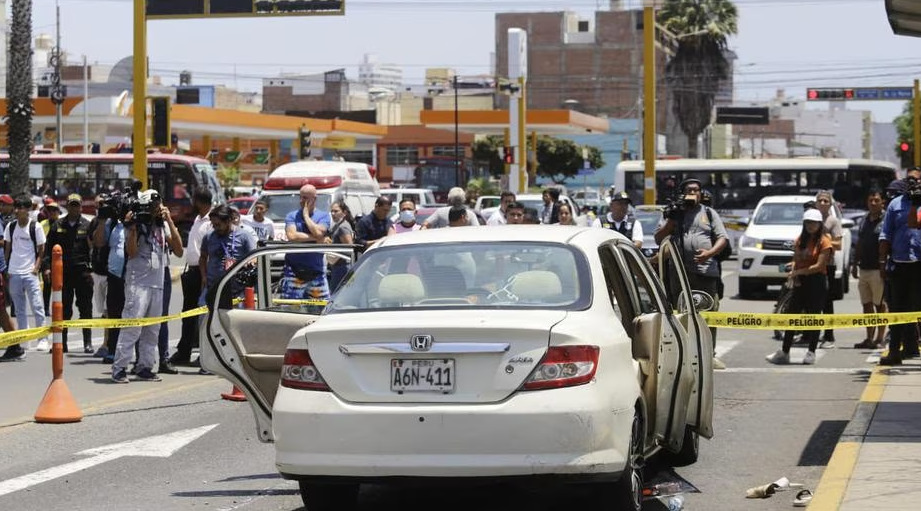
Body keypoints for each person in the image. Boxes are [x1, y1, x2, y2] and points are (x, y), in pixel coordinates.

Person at [654, 178, 729, 369]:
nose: (693, 193)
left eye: (696, 190)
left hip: (705, 271)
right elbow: (659, 239)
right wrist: (672, 220)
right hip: (679, 273)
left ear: (701, 194)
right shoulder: (672, 213)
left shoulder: (709, 213)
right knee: (680, 312)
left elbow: (723, 238)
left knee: (708, 313)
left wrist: (709, 253)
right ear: (682, 193)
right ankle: (682, 354)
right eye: (689, 190)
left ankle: (709, 354)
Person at [111, 190, 183, 383]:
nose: (155, 209)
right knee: (132, 326)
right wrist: (133, 228)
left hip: (157, 283)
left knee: (152, 329)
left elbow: (178, 250)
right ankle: (119, 368)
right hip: (138, 283)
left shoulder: (162, 224)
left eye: (158, 205)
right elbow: (132, 252)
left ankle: (145, 366)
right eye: (152, 206)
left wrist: (169, 221)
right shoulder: (136, 222)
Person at [766, 209, 833, 365]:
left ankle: (811, 352)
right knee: (792, 316)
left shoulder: (825, 242)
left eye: (814, 222)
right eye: (808, 222)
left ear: (819, 224)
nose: (810, 225)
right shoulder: (799, 240)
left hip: (817, 282)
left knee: (814, 317)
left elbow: (819, 266)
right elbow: (796, 260)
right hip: (800, 282)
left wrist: (798, 272)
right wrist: (795, 275)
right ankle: (785, 351)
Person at [878, 171, 921, 366]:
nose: (913, 183)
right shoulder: (895, 205)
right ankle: (894, 351)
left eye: (917, 179)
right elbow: (885, 235)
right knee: (898, 310)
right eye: (909, 179)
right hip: (900, 264)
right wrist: (882, 263)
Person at [44, 193, 94, 354]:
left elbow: (94, 248)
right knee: (63, 309)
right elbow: (48, 249)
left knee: (85, 308)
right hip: (63, 273)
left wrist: (92, 269)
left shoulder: (87, 225)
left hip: (82, 272)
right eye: (71, 205)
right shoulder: (58, 225)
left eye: (76, 205)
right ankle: (62, 343)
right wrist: (47, 267)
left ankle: (87, 342)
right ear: (67, 206)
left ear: (81, 207)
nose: (74, 208)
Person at [171, 189, 213, 367]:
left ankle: (203, 355)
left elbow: (209, 251)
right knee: (188, 314)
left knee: (203, 316)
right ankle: (184, 352)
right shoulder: (197, 219)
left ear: (199, 202)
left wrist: (205, 275)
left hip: (204, 272)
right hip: (192, 271)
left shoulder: (211, 221)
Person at [4, 196, 47, 351]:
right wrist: (7, 269)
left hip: (30, 273)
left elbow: (41, 250)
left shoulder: (35, 227)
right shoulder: (11, 226)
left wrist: (36, 268)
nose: (17, 210)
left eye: (20, 207)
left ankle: (42, 339)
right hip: (14, 272)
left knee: (37, 306)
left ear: (28, 209)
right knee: (19, 309)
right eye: (16, 207)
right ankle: (25, 337)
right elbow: (7, 249)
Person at [280, 184, 331, 306]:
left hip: (316, 271)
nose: (302, 201)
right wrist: (317, 238)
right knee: (290, 308)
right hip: (294, 271)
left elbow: (319, 232)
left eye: (306, 198)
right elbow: (292, 236)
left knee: (322, 307)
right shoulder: (291, 216)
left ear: (315, 199)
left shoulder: (324, 216)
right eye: (301, 197)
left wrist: (306, 216)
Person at [851, 189, 888, 349]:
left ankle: (880, 338)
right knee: (866, 305)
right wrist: (854, 264)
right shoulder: (864, 219)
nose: (873, 203)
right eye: (870, 200)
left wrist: (884, 265)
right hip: (864, 268)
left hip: (878, 269)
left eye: (876, 200)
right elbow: (859, 243)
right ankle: (869, 338)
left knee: (879, 304)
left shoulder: (886, 219)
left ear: (882, 202)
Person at [200, 205, 256, 308]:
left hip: (237, 292)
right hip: (213, 288)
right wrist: (204, 276)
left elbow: (254, 256)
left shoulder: (244, 236)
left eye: (218, 225)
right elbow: (203, 257)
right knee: (204, 316)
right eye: (213, 225)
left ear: (228, 221)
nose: (216, 228)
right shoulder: (209, 237)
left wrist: (250, 262)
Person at [814, 190, 843, 349]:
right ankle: (808, 334)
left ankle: (829, 335)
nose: (823, 203)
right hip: (811, 265)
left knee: (827, 302)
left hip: (827, 265)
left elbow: (838, 244)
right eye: (820, 200)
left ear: (830, 204)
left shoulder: (833, 222)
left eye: (826, 201)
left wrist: (824, 242)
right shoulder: (811, 219)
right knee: (811, 301)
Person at [325, 201, 355, 292]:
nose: (333, 214)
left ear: (344, 212)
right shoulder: (337, 226)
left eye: (336, 211)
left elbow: (349, 247)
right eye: (332, 211)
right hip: (336, 267)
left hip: (342, 267)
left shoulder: (343, 227)